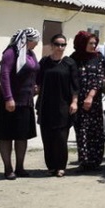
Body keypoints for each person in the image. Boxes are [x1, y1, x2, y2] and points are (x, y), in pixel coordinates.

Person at [0, 28, 41, 180]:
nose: (37, 44)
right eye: (36, 41)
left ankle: (20, 167)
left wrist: (34, 86)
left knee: (22, 136)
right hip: (10, 101)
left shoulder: (29, 53)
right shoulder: (11, 53)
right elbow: (4, 75)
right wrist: (8, 98)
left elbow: (32, 72)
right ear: (29, 40)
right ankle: (8, 168)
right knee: (6, 136)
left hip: (25, 101)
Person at [36, 34, 78, 177]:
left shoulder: (69, 63)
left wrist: (74, 101)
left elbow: (75, 85)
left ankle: (60, 166)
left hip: (63, 105)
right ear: (52, 46)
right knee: (47, 138)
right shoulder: (44, 62)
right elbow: (38, 82)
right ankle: (51, 166)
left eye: (63, 45)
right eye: (57, 44)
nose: (60, 47)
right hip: (46, 105)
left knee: (60, 138)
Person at [71, 31, 105, 172]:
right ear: (82, 44)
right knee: (82, 131)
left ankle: (95, 161)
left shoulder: (98, 58)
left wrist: (90, 97)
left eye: (95, 43)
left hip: (94, 101)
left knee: (97, 131)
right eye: (90, 43)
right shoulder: (73, 59)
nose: (93, 46)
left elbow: (99, 78)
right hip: (78, 101)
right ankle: (84, 162)